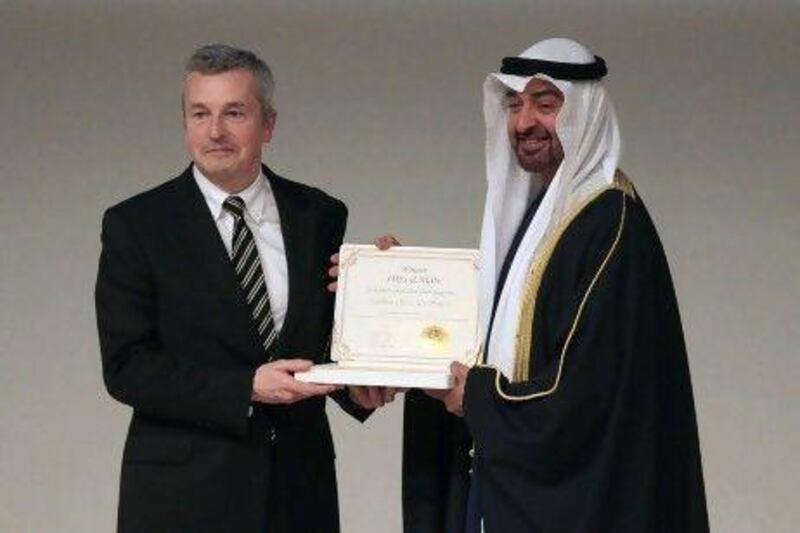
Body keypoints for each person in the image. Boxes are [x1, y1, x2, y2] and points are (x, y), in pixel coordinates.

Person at [402, 37, 709, 532]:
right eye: (515, 104)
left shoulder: (608, 222)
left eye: (546, 104)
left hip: (582, 503)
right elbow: (492, 340)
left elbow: (587, 389)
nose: (524, 123)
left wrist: (478, 398)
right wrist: (398, 296)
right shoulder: (546, 216)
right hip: (506, 480)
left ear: (584, 113)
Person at [95, 43, 371, 533]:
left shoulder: (320, 215)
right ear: (185, 124)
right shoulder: (137, 225)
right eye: (200, 114)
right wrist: (245, 386)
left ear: (268, 124)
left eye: (234, 113)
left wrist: (366, 372)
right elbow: (127, 368)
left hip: (298, 493)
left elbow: (323, 339)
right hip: (183, 499)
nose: (215, 131)